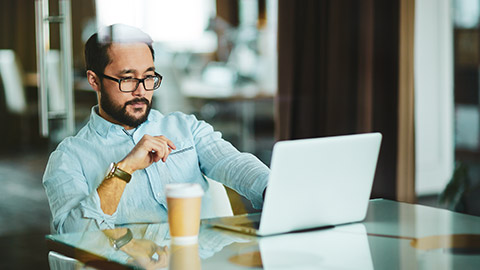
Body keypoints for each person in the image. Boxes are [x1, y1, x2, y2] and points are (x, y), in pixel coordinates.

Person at [43, 24, 269, 234]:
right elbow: (74, 235)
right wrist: (125, 169)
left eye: (149, 77)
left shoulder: (186, 127)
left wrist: (272, 189)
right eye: (128, 79)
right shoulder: (69, 157)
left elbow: (233, 164)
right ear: (94, 80)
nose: (141, 91)